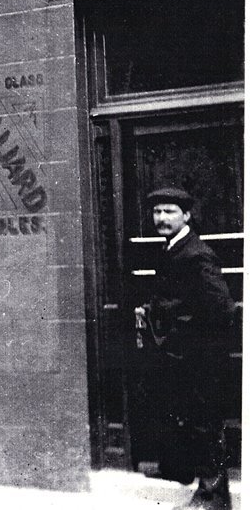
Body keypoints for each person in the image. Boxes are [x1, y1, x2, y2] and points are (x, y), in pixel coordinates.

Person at [134, 187, 236, 510]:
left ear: (187, 215)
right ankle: (180, 471)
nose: (161, 218)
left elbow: (223, 308)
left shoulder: (197, 253)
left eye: (169, 212)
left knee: (205, 424)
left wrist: (189, 336)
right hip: (181, 355)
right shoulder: (173, 249)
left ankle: (213, 497)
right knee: (185, 417)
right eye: (157, 212)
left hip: (200, 356)